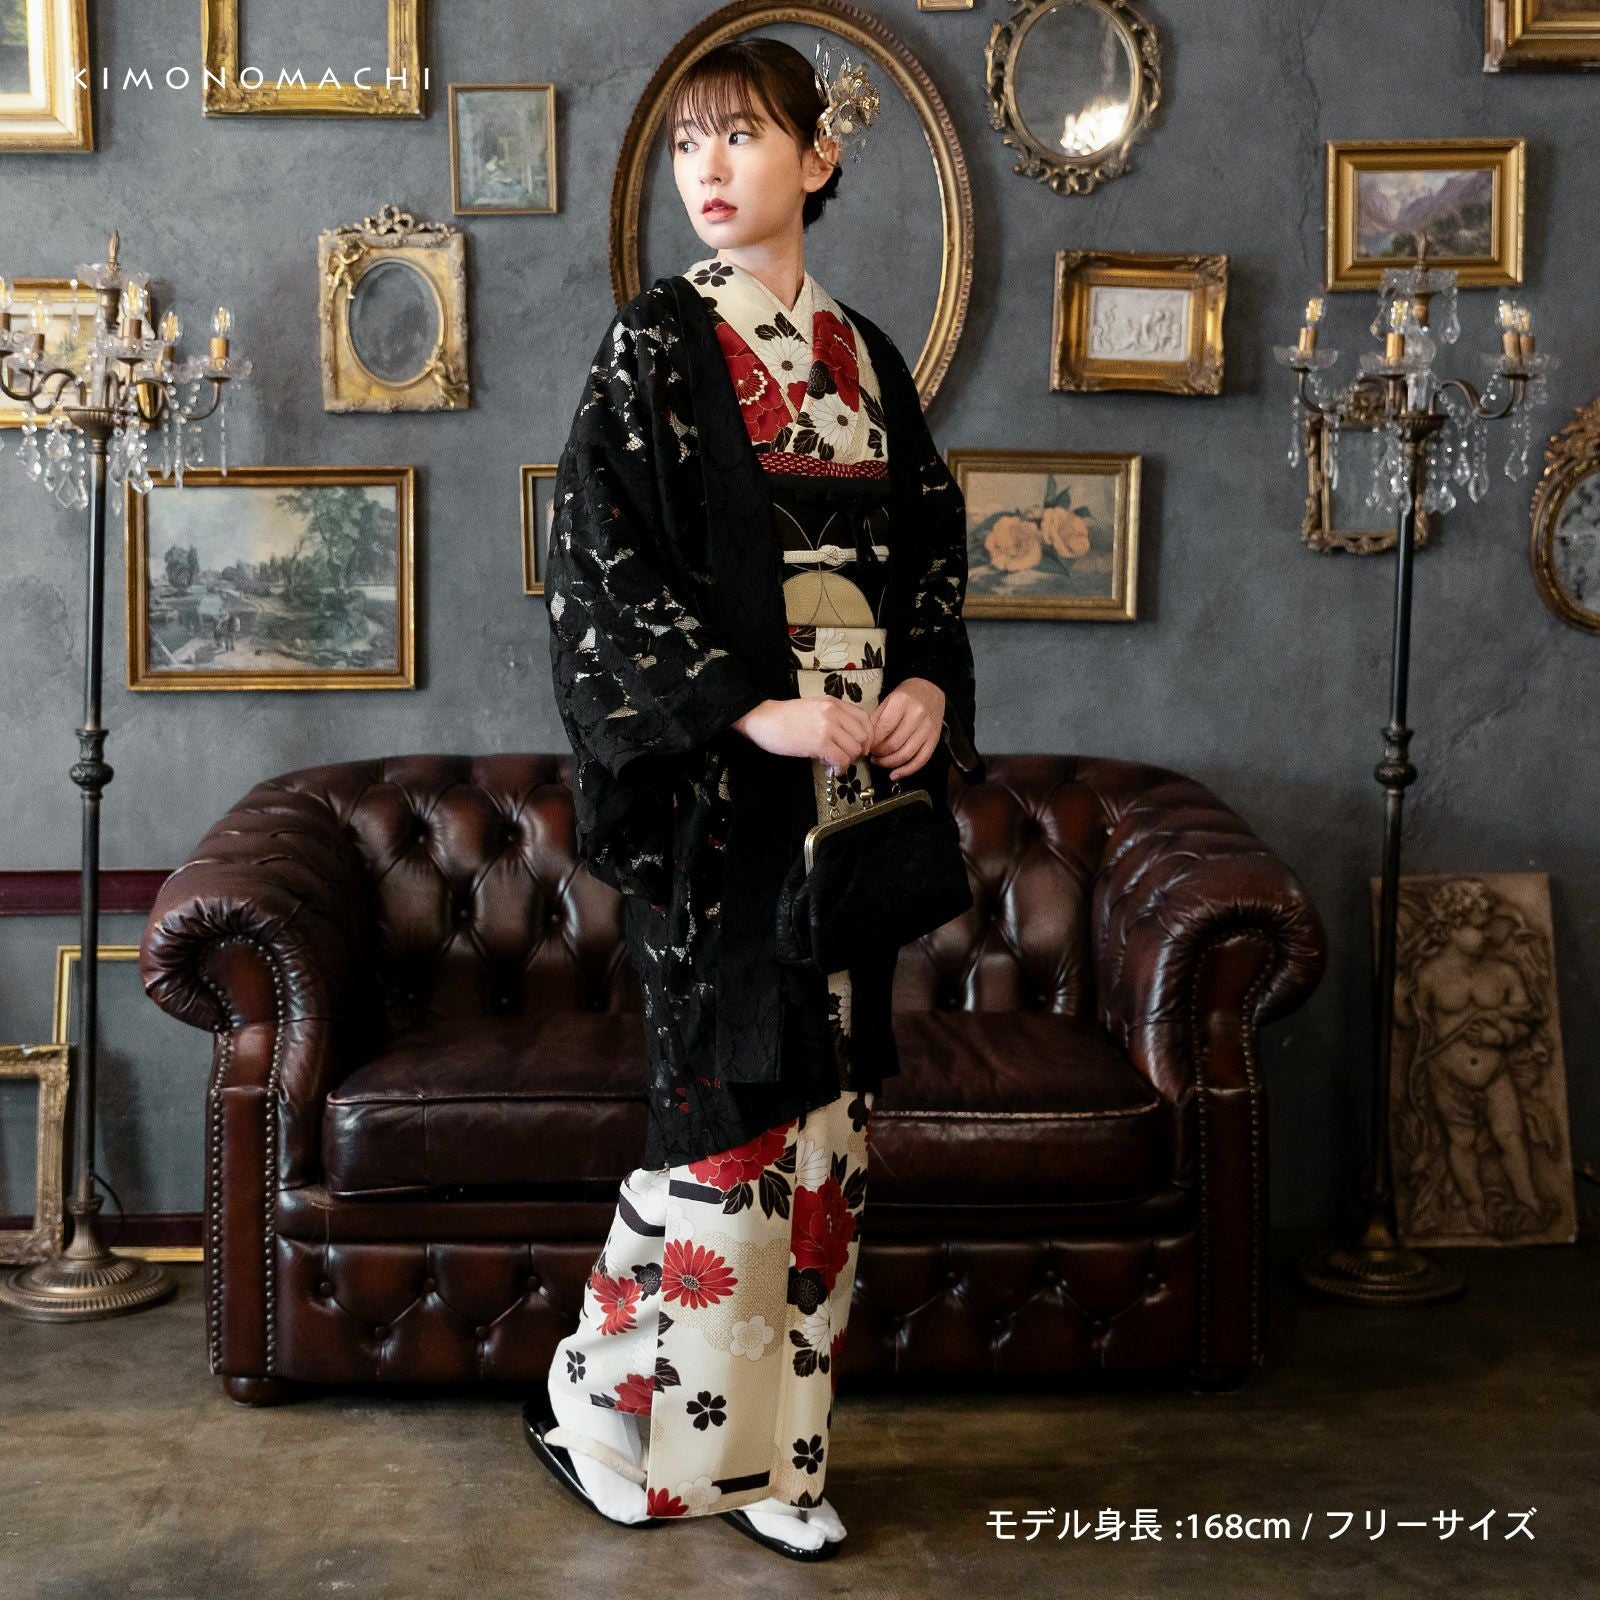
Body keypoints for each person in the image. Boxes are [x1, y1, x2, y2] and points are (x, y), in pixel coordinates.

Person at [527, 35, 983, 1561]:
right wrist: (748, 707)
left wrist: (924, 691)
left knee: (828, 1135)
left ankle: (776, 1456)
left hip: (847, 808)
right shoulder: (656, 346)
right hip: (722, 803)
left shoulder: (865, 358)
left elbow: (930, 566)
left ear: (818, 157)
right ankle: (640, 1440)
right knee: (721, 1131)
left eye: (741, 138)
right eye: (687, 146)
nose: (708, 171)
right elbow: (598, 567)